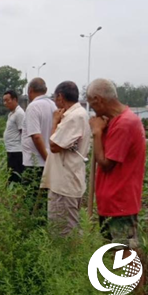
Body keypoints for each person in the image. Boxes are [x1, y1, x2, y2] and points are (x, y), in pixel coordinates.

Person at [88, 78, 146, 252]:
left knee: (125, 258)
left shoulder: (125, 123)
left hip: (120, 204)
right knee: (113, 255)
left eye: (91, 104)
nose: (93, 110)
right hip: (110, 202)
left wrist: (97, 133)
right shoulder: (113, 121)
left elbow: (106, 163)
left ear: (98, 100)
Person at [41, 81, 90, 236]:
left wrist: (55, 121)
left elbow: (54, 146)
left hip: (64, 184)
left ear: (60, 97)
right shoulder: (77, 115)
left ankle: (67, 259)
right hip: (67, 180)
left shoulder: (74, 117)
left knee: (62, 232)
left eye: (56, 99)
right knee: (69, 228)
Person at [21, 78, 57, 209]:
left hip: (35, 162)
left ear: (30, 91)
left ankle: (32, 227)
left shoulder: (33, 107)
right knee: (44, 201)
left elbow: (36, 136)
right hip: (49, 159)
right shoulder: (53, 106)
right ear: (45, 90)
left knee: (32, 199)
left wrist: (47, 160)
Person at [2, 90, 26, 183]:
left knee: (15, 176)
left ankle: (15, 195)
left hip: (17, 150)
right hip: (11, 149)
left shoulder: (20, 113)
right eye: (4, 101)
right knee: (11, 174)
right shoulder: (11, 114)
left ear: (15, 99)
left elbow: (23, 132)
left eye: (7, 100)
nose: (5, 103)